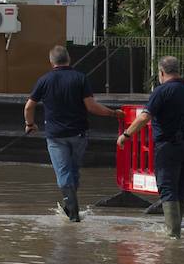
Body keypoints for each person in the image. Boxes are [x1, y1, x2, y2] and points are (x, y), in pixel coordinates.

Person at [25, 45, 120, 221]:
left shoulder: (44, 80)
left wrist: (30, 124)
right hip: (79, 133)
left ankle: (73, 213)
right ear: (69, 59)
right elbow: (91, 106)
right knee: (73, 170)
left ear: (51, 61)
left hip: (55, 136)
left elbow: (29, 106)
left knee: (63, 172)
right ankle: (71, 208)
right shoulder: (80, 78)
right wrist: (113, 113)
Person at [117, 55, 184, 238]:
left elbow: (145, 116)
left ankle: (172, 234)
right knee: (180, 186)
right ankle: (177, 228)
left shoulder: (162, 91)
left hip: (169, 146)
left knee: (167, 187)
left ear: (161, 72)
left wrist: (126, 135)